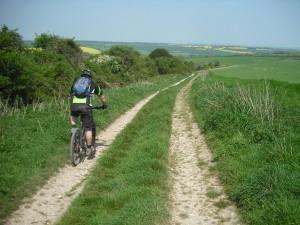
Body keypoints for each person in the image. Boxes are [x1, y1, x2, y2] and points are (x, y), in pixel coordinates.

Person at [70, 69, 107, 158]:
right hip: (86, 107)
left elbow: (71, 93)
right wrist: (104, 104)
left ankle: (74, 135)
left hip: (74, 106)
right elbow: (102, 96)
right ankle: (89, 148)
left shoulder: (76, 81)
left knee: (73, 122)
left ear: (81, 76)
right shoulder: (93, 84)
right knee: (88, 128)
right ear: (90, 76)